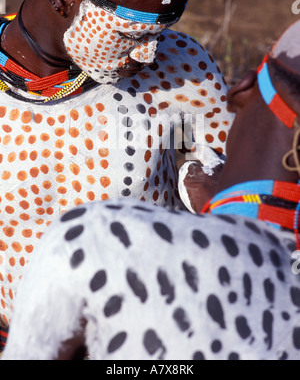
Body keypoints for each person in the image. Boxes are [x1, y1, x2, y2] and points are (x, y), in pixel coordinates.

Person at [2, 21, 300, 361]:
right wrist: (222, 212)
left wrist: (220, 214)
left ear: (242, 89)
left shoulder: (94, 236)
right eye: (132, 32)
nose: (148, 53)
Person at [0, 0, 233, 330]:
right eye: (131, 35)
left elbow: (244, 199)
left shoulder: (179, 74)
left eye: (159, 33)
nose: (148, 54)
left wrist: (213, 187)